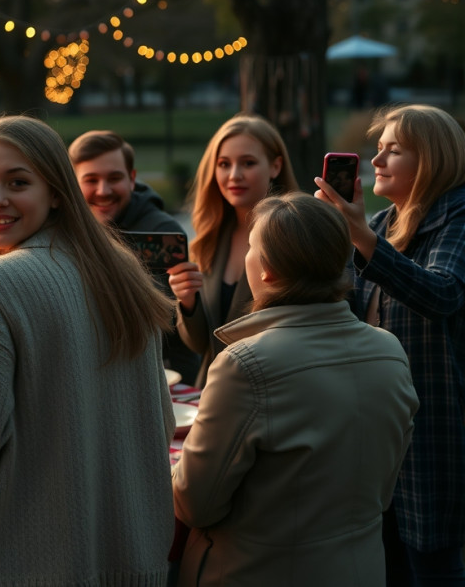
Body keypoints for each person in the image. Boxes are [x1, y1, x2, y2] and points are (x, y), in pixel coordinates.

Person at [0, 115, 176, 584]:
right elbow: (161, 422)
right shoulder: (120, 272)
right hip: (131, 562)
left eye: (17, 182)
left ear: (57, 192)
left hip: (20, 567)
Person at [172, 193, 418, 585]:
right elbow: (382, 489)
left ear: (266, 270)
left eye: (252, 247)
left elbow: (195, 505)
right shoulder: (389, 349)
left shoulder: (245, 365)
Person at [315, 104, 465, 585]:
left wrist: (360, 238)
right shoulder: (381, 224)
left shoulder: (458, 218)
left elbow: (441, 294)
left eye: (393, 150)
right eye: (377, 149)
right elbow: (343, 309)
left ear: (433, 160)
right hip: (376, 431)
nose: (375, 161)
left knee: (433, 566)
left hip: (435, 431)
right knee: (381, 563)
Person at [166, 114, 299, 388]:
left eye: (248, 163)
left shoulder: (296, 236)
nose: (234, 175)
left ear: (275, 166)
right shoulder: (210, 238)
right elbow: (201, 344)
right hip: (214, 393)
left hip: (274, 392)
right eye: (224, 164)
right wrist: (188, 302)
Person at [69, 129, 201, 384]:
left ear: (132, 179)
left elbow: (166, 320)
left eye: (114, 178)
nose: (103, 190)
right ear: (72, 182)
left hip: (159, 377)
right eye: (91, 179)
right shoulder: (64, 230)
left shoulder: (162, 234)